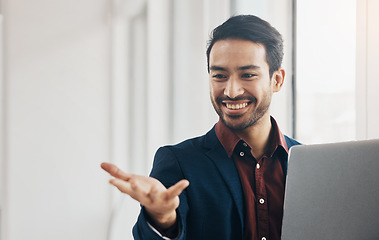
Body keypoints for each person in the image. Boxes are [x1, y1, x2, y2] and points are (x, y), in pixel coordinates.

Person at [101, 14, 300, 240]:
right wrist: (163, 218)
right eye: (219, 76)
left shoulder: (306, 164)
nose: (231, 91)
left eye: (247, 75)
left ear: (277, 80)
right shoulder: (179, 161)